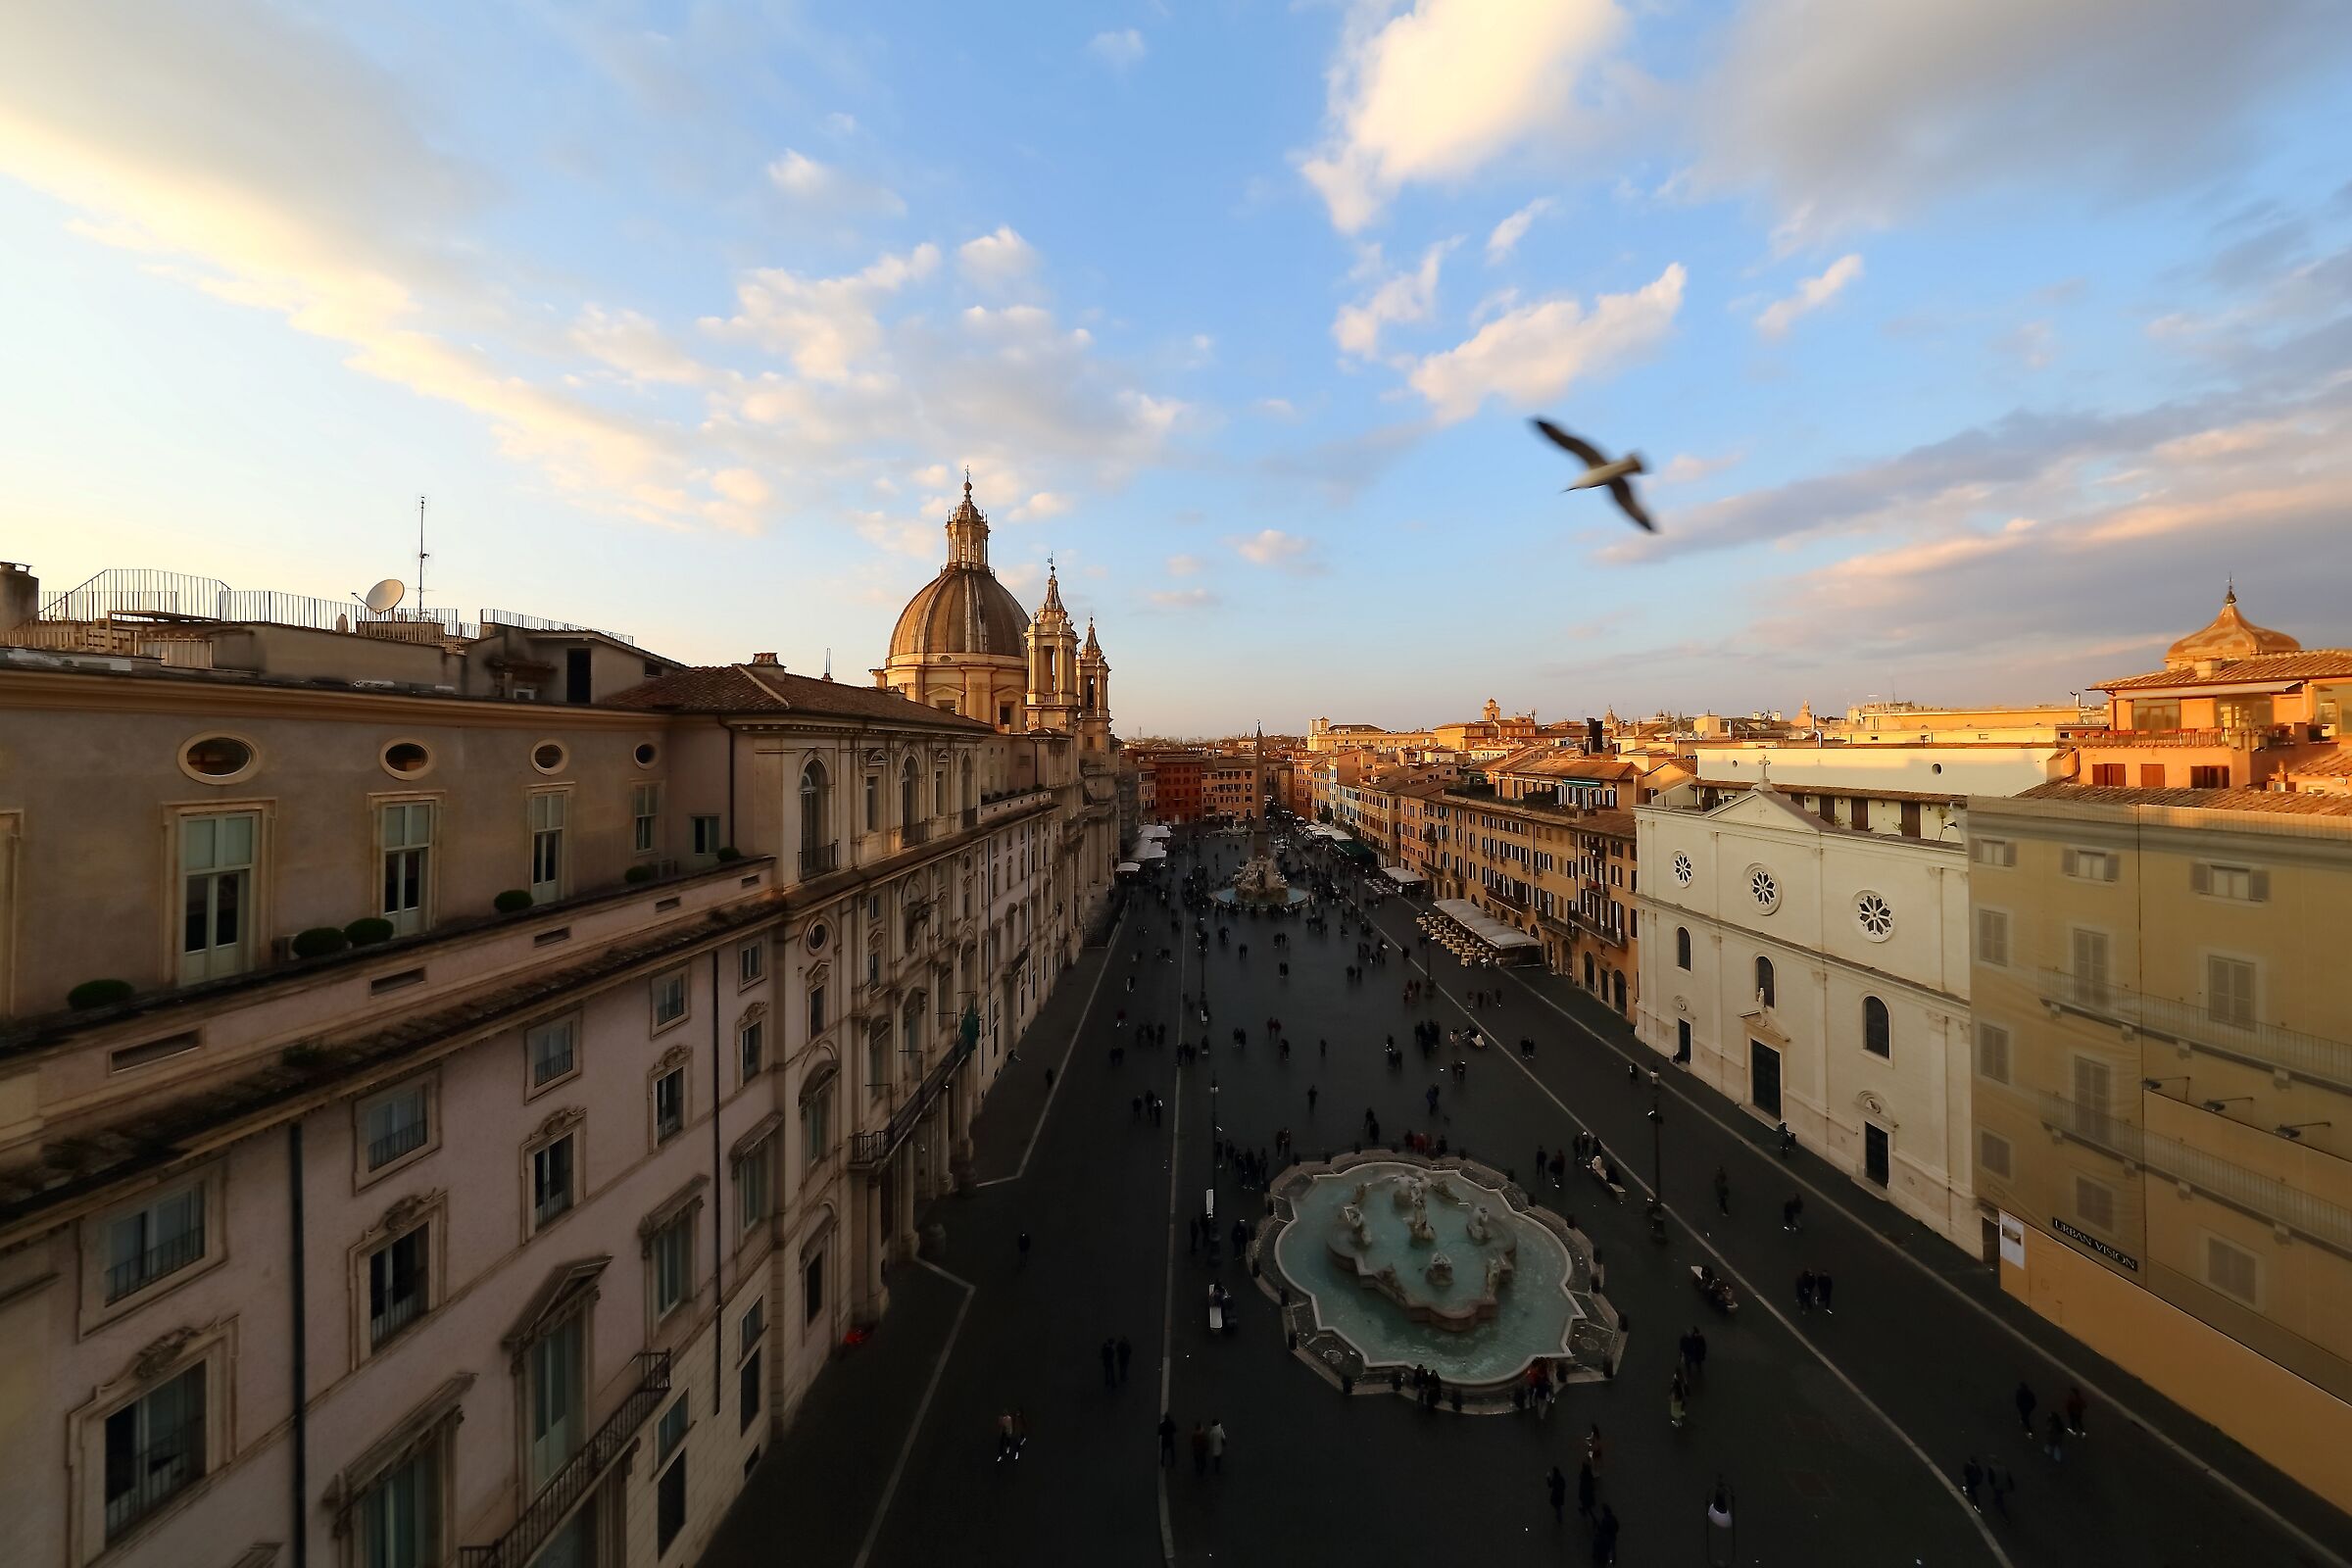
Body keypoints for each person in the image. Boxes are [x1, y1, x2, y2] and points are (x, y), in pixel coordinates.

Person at [1577, 1458, 1597, 1523]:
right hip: (1588, 1493)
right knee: (1586, 1504)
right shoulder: (1589, 1474)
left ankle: (1594, 1519)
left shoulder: (1583, 1475)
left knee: (1588, 1507)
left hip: (1584, 1493)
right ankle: (1583, 1510)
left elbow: (1580, 1478)